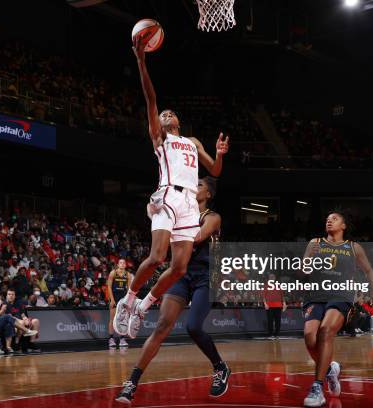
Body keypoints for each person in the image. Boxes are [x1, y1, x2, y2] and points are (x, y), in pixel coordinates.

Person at [113, 30, 230, 340]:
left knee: (179, 268)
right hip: (167, 196)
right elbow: (150, 97)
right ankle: (129, 300)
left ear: (177, 121)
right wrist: (141, 60)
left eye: (170, 112)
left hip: (190, 203)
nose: (165, 113)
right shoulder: (160, 138)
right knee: (156, 257)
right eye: (162, 113)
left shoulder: (191, 141)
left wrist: (218, 155)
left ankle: (144, 306)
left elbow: (214, 170)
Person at [116, 177, 230, 404]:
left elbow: (196, 237)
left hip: (206, 276)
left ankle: (220, 367)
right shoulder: (178, 214)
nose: (192, 187)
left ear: (208, 194)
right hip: (180, 275)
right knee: (161, 327)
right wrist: (156, 215)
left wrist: (167, 223)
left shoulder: (213, 217)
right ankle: (131, 383)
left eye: (199, 185)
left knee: (193, 327)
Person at [302, 211, 373, 407]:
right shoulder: (315, 242)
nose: (329, 220)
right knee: (310, 338)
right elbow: (304, 270)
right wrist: (307, 263)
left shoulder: (353, 247)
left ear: (344, 226)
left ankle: (317, 387)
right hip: (317, 295)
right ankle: (330, 370)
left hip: (341, 295)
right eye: (327, 219)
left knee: (326, 331)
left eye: (334, 218)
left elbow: (369, 270)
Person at [107, 259, 132, 348]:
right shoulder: (113, 273)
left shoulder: (128, 275)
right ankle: (111, 339)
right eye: (120, 262)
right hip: (114, 298)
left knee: (122, 319)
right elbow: (109, 287)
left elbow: (129, 289)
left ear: (125, 265)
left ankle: (122, 338)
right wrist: (112, 300)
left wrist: (128, 300)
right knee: (112, 318)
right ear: (118, 264)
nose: (122, 264)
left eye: (124, 263)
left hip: (123, 299)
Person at [263, 273, 286, 339]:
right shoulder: (266, 286)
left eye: (273, 277)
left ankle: (277, 334)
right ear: (269, 278)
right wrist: (265, 303)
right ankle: (270, 335)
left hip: (278, 306)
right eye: (271, 277)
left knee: (278, 321)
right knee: (270, 320)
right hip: (269, 306)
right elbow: (263, 296)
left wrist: (284, 303)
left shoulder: (278, 286)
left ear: (275, 278)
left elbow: (282, 295)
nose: (272, 278)